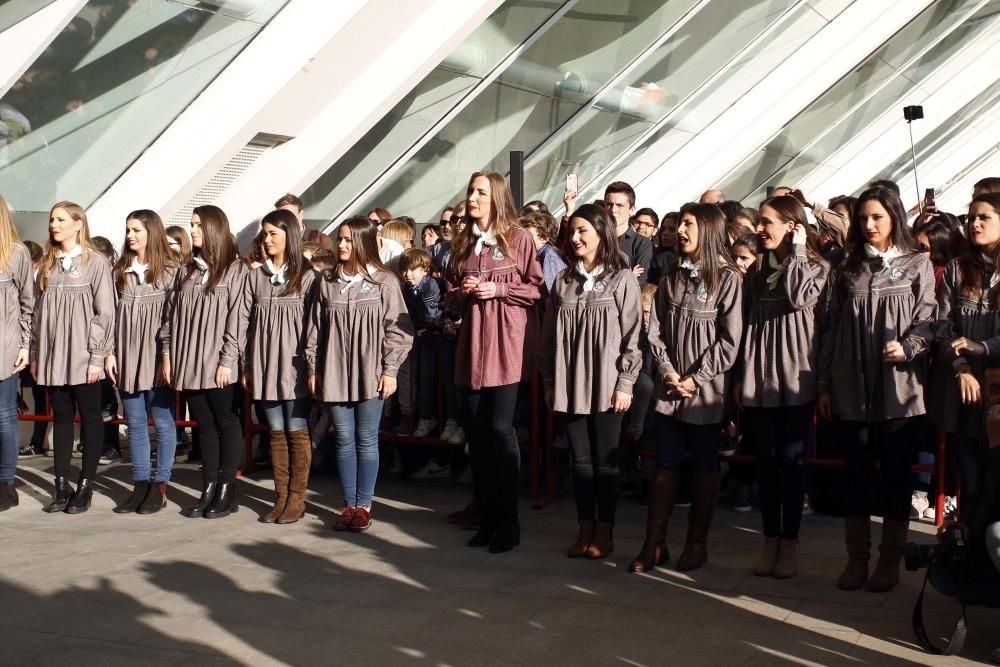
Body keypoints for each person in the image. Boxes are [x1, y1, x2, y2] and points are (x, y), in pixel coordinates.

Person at [818, 187, 936, 592]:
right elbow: (831, 328)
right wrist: (824, 384)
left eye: (877, 218)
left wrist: (908, 347)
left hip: (900, 391)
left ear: (895, 219)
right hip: (850, 388)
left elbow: (928, 320)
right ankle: (857, 558)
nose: (869, 226)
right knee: (856, 476)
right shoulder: (847, 268)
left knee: (897, 478)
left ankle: (889, 560)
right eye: (864, 218)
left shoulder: (917, 264)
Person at [630, 202, 743, 573]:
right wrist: (666, 371)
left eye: (690, 225)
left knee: (705, 466)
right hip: (670, 388)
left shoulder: (727, 280)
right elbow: (655, 329)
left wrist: (695, 378)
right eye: (680, 224)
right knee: (665, 464)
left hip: (704, 394)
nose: (681, 231)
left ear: (707, 231)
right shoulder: (672, 277)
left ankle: (697, 544)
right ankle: (654, 542)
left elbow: (729, 341)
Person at [446, 171, 544, 553]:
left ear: (497, 197)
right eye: (471, 191)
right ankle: (485, 518)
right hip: (471, 349)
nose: (472, 198)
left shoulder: (518, 239)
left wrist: (498, 288)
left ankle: (509, 522)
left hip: (506, 347)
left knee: (501, 431)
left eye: (481, 192)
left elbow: (537, 289)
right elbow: (450, 295)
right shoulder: (464, 243)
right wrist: (463, 291)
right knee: (477, 435)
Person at [540, 203, 641, 559]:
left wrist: (626, 382)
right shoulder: (562, 280)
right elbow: (548, 339)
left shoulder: (621, 278)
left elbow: (632, 335)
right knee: (579, 461)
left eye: (584, 230)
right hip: (570, 385)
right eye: (573, 231)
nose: (576, 237)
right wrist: (551, 382)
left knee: (606, 461)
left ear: (602, 233)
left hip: (608, 384)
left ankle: (605, 530)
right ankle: (584, 527)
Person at [740, 196, 830, 579]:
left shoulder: (816, 267)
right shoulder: (757, 270)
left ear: (792, 227)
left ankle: (790, 543)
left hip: (796, 379)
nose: (759, 230)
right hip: (759, 379)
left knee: (791, 465)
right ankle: (770, 540)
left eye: (768, 222)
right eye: (759, 222)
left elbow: (797, 297)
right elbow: (744, 322)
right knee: (765, 464)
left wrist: (795, 248)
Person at [305, 217, 413, 532]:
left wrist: (390, 369)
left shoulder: (385, 281)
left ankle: (364, 505)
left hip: (371, 372)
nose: (341, 245)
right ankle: (348, 505)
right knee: (343, 440)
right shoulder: (326, 281)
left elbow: (399, 330)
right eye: (339, 239)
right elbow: (314, 329)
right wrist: (313, 367)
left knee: (366, 440)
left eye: (348, 240)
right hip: (336, 370)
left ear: (363, 243)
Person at [162, 205, 247, 519]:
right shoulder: (187, 270)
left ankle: (227, 488)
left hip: (218, 362)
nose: (193, 230)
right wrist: (168, 355)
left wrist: (228, 360)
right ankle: (209, 487)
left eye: (198, 225)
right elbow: (170, 317)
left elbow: (237, 321)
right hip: (188, 361)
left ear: (213, 229)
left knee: (226, 422)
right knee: (205, 428)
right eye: (192, 224)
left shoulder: (236, 271)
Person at [32, 202, 114, 514]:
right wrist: (38, 352)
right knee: (61, 418)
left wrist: (97, 356)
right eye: (52, 219)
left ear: (78, 224)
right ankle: (62, 486)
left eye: (60, 219)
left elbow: (105, 312)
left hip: (83, 353)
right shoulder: (48, 264)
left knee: (91, 416)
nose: (54, 224)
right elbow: (39, 313)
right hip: (54, 355)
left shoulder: (96, 263)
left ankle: (86, 485)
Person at [234, 209, 315, 524]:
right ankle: (281, 497)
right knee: (276, 432)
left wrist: (312, 367)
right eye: (264, 234)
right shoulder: (255, 277)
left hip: (294, 366)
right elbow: (241, 322)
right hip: (265, 364)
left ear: (289, 237)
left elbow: (314, 328)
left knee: (296, 430)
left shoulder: (308, 278)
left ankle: (297, 499)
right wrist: (244, 363)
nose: (266, 240)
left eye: (273, 234)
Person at [930, 193, 1000, 525]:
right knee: (969, 484)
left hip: (997, 393)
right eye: (972, 217)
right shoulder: (958, 269)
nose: (974, 224)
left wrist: (982, 347)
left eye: (984, 217)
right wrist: (960, 366)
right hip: (963, 392)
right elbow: (942, 327)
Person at [106, 210, 179, 514]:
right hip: (126, 356)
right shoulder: (119, 271)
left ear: (152, 231)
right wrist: (109, 352)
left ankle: (159, 485)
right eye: (127, 230)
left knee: (162, 420)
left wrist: (167, 355)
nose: (130, 235)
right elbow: (109, 314)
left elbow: (173, 319)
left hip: (155, 356)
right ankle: (139, 484)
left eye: (136, 229)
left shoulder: (171, 271)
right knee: (134, 422)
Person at [0, 196, 32, 511]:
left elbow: (27, 303)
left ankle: (6, 483)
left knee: (5, 417)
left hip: (5, 348)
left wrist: (25, 344)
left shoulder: (16, 253)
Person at [399, 248, 442, 439]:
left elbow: (430, 316)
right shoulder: (409, 287)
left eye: (412, 269)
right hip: (420, 336)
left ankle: (429, 416)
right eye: (404, 270)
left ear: (425, 269)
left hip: (433, 337)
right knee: (418, 377)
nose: (407, 274)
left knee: (428, 377)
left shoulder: (430, 286)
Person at [17, 239, 46, 459]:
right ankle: (18, 403)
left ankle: (37, 442)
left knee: (41, 395)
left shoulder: (42, 281)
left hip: (39, 346)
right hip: (20, 343)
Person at [518, 210, 567, 296]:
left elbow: (552, 292)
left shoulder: (548, 257)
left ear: (544, 238)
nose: (524, 239)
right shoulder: (535, 254)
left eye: (528, 236)